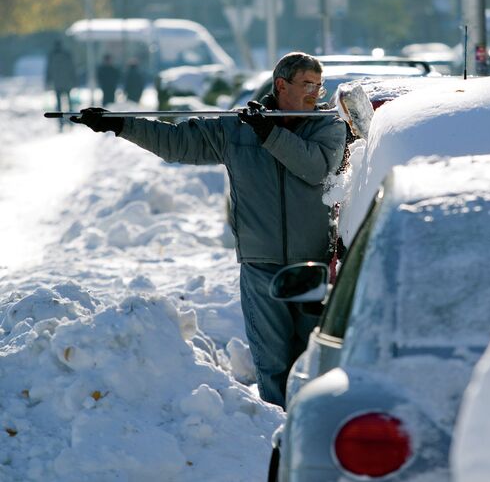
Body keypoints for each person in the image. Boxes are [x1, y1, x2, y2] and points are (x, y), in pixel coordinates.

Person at [71, 52, 347, 409]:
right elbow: (177, 142)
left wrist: (270, 133)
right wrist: (121, 124)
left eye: (318, 85)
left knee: (312, 359)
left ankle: (312, 426)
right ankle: (279, 431)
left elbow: (314, 167)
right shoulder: (238, 129)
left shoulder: (328, 126)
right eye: (307, 85)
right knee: (273, 362)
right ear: (281, 85)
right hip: (260, 265)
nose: (315, 93)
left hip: (313, 267)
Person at [45, 39, 77, 128]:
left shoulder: (52, 55)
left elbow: (48, 70)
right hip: (67, 83)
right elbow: (72, 68)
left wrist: (47, 81)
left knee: (59, 104)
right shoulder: (67, 54)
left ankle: (61, 122)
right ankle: (70, 120)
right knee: (69, 102)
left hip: (57, 83)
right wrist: (74, 80)